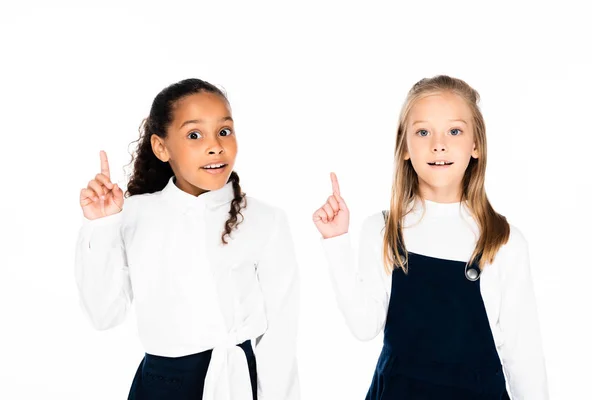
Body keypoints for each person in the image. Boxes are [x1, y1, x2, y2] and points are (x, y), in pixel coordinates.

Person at [313, 75, 548, 399]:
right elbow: (364, 326)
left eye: (454, 131)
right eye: (423, 132)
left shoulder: (503, 242)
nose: (439, 144)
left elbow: (524, 358)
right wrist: (336, 241)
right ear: (405, 146)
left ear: (476, 144)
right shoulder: (382, 230)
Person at [75, 78, 300, 400]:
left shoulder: (266, 220)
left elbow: (281, 332)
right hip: (161, 387)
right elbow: (103, 315)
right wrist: (102, 226)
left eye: (224, 131)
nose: (215, 146)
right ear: (161, 147)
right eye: (194, 134)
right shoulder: (130, 216)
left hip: (238, 382)